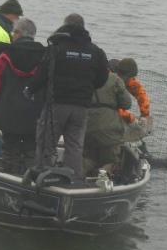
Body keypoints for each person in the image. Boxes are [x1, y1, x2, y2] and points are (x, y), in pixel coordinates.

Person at [28, 23, 109, 180]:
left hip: (57, 104)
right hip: (82, 107)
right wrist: (88, 88)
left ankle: (44, 175)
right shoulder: (96, 52)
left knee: (47, 141)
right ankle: (73, 180)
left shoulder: (58, 48)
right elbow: (102, 78)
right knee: (75, 146)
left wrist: (30, 89)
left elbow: (42, 73)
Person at [0, 18, 45, 174]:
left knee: (10, 152)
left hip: (8, 114)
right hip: (35, 115)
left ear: (17, 33)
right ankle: (30, 181)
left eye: (13, 32)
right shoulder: (45, 57)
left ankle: (10, 180)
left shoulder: (4, 56)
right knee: (31, 150)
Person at [83, 68, 132, 176]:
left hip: (86, 125)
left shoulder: (83, 76)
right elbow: (127, 103)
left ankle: (78, 179)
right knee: (110, 159)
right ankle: (104, 176)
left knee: (88, 157)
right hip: (109, 127)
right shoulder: (114, 79)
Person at [109, 57, 152, 140]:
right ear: (122, 74)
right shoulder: (107, 79)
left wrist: (145, 116)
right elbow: (111, 106)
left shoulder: (128, 79)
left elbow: (141, 95)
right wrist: (131, 119)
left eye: (132, 78)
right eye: (129, 77)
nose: (130, 80)